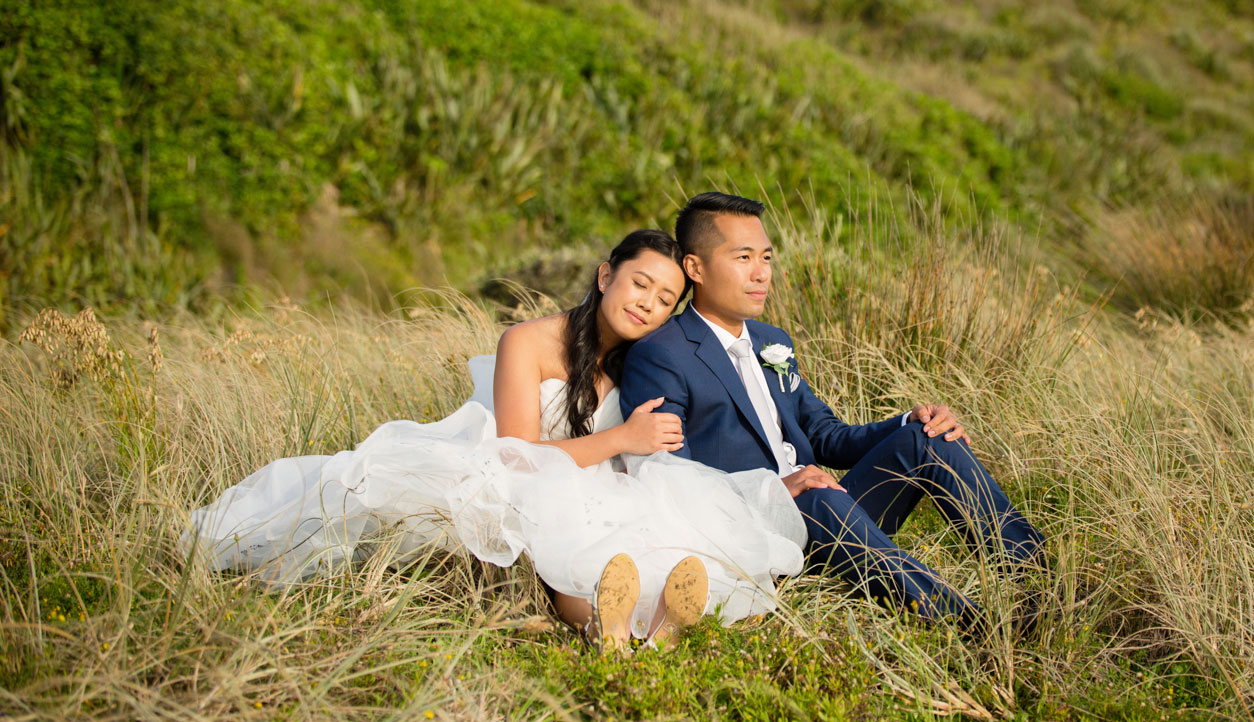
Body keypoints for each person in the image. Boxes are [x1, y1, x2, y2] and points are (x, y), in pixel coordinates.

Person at [183, 229, 807, 649]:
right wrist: (622, 437)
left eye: (666, 299)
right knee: (567, 519)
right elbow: (516, 456)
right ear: (604, 276)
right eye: (639, 284)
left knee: (659, 520)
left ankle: (654, 625)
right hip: (519, 476)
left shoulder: (641, 365)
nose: (648, 304)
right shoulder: (528, 342)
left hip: (603, 476)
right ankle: (613, 629)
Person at [619, 195, 1046, 631]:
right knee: (817, 496)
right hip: (752, 535)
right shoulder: (661, 355)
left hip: (828, 514)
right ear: (695, 268)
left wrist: (908, 421)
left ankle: (1038, 580)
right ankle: (972, 625)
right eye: (743, 257)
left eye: (766, 257)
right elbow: (669, 479)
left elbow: (824, 435)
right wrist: (775, 490)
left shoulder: (770, 339)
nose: (761, 272)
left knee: (929, 437)